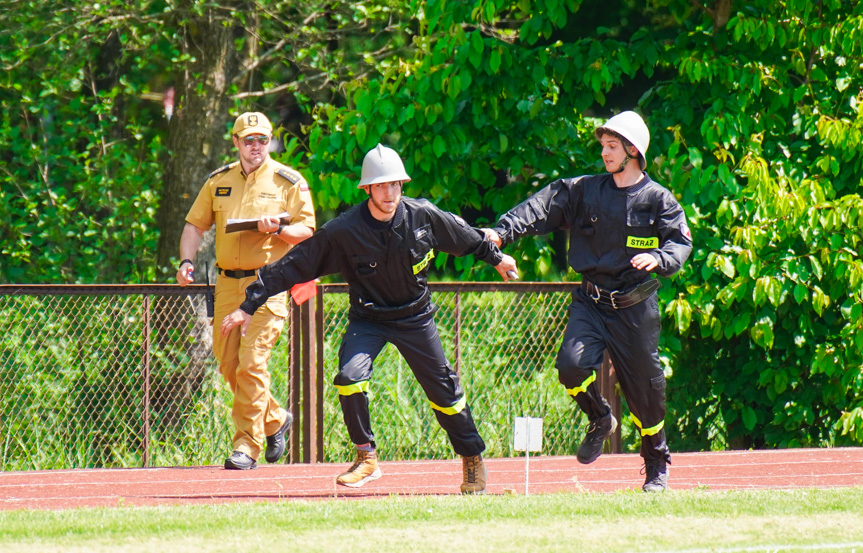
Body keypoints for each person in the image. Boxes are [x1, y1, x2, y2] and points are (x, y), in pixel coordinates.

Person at [220, 143, 518, 494]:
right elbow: (293, 265)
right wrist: (248, 305)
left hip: (415, 318)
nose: (389, 193)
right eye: (381, 186)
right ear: (367, 189)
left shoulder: (423, 215)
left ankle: (472, 459)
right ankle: (366, 457)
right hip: (369, 319)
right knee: (349, 378)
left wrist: (497, 258)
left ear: (402, 186)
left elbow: (466, 237)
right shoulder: (344, 231)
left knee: (446, 395)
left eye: (395, 185)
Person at [484, 111, 692, 492]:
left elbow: (680, 243)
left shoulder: (657, 199)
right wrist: (501, 233)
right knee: (570, 367)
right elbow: (539, 208)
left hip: (635, 307)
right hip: (591, 301)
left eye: (612, 147)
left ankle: (656, 464)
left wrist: (660, 259)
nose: (604, 153)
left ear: (633, 151)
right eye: (602, 146)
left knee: (646, 393)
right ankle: (600, 417)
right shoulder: (584, 190)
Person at [176, 111, 316, 470]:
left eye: (262, 140)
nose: (256, 146)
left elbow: (308, 230)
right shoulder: (217, 181)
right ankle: (274, 419)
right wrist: (186, 261)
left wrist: (279, 232)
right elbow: (194, 225)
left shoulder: (288, 181)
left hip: (268, 283)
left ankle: (246, 446)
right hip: (226, 284)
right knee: (228, 364)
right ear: (236, 142)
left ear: (269, 142)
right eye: (248, 140)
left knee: (252, 363)